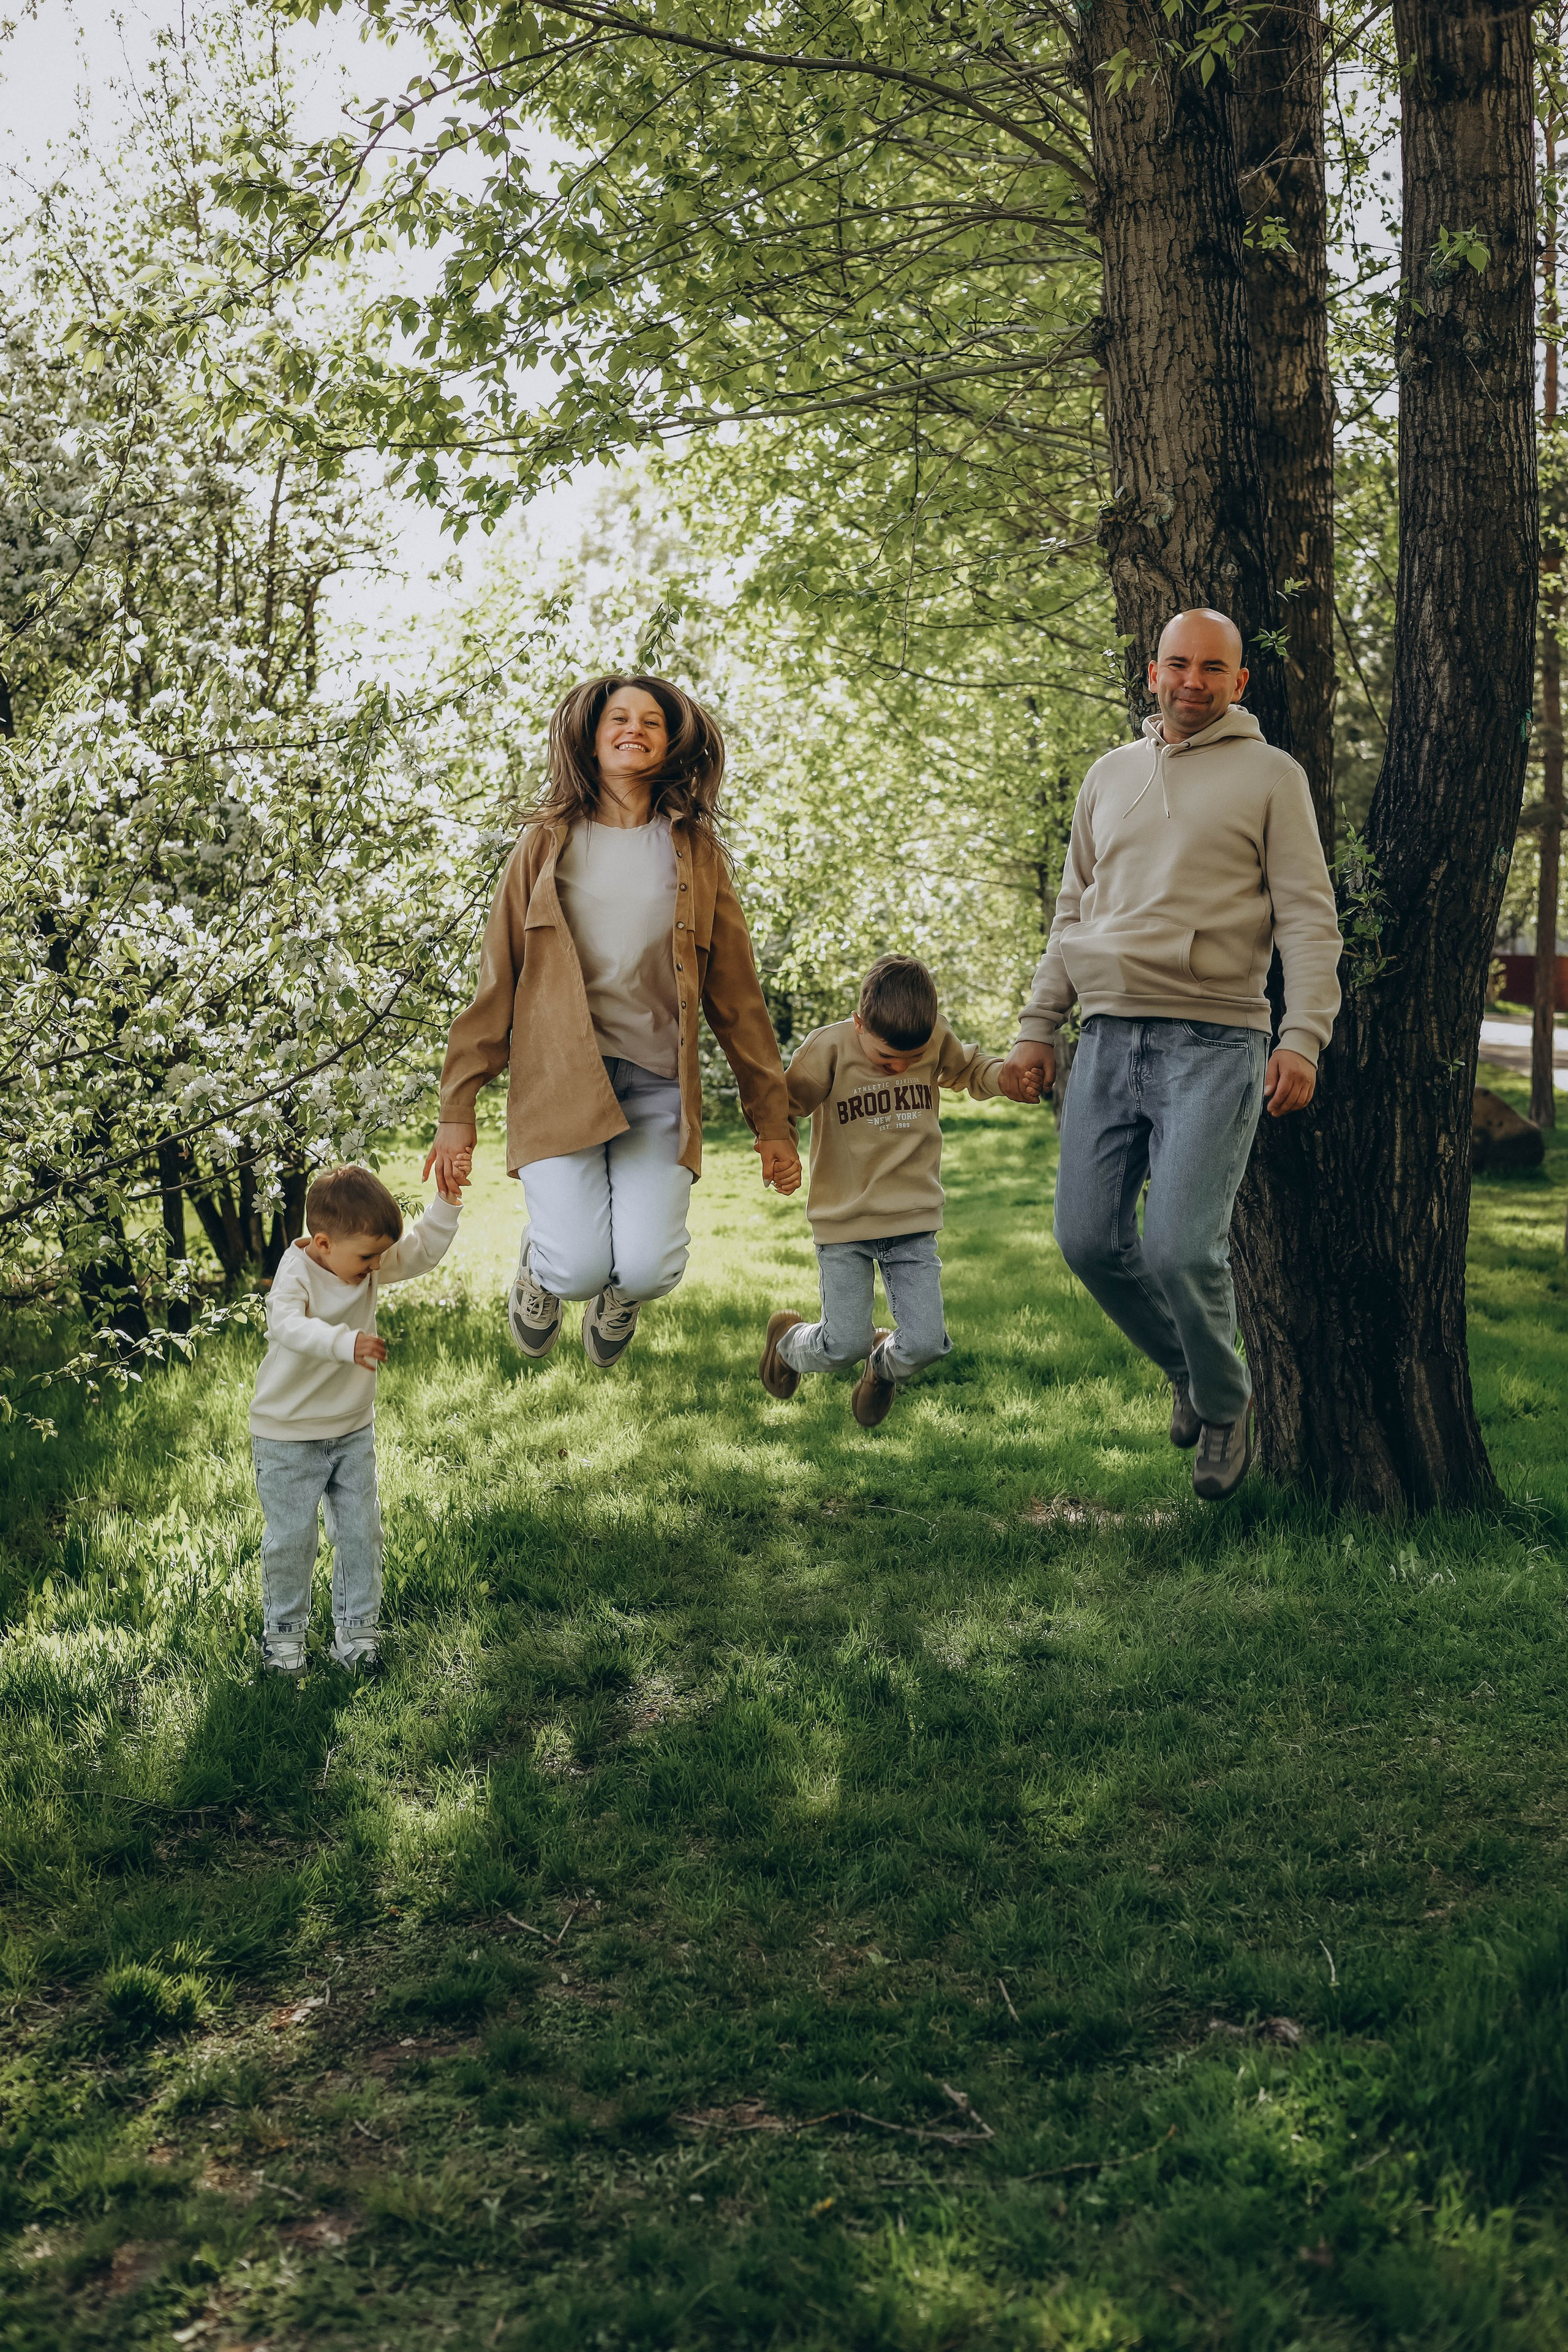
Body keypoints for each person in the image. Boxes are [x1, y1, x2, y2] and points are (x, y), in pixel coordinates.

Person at [1001, 609, 1342, 1501]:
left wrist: (1302, 1036)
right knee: (1085, 1239)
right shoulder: (1110, 775)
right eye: (1178, 664)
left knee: (1182, 1248)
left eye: (1212, 668)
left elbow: (1308, 917)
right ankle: (1197, 1376)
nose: (1193, 681)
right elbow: (1073, 911)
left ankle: (1225, 1407)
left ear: (1240, 683)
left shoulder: (1273, 777)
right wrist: (1038, 1027)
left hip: (1216, 1038)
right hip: (1107, 1033)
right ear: (1152, 673)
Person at [425, 675, 799, 1367]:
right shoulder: (543, 846)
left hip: (657, 1084)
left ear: (671, 744)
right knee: (575, 1270)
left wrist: (771, 1122)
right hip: (560, 1082)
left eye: (652, 721)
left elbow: (738, 1000)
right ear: (592, 740)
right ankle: (543, 1265)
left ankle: (621, 1290)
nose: (635, 729)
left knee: (650, 1270)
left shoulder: (696, 855)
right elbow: (497, 981)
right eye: (619, 719)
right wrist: (459, 1106)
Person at [760, 954, 1041, 1427]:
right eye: (886, 1058)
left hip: (912, 1220)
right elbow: (781, 1107)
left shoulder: (934, 1039)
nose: (898, 1068)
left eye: (911, 1062)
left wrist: (1005, 1078)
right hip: (844, 1221)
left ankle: (880, 1368)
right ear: (858, 1023)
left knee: (926, 1343)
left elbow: (971, 1070)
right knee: (840, 1345)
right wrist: (780, 1152)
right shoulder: (828, 1049)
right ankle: (788, 1345)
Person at [249, 1163, 462, 1677]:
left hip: (350, 1429)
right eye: (366, 1257)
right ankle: (284, 1641)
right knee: (293, 1539)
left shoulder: (359, 1260)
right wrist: (346, 1344)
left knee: (362, 1532)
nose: (374, 1267)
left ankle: (357, 1635)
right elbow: (290, 1328)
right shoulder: (295, 1274)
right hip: (288, 1435)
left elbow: (417, 1254)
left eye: (376, 1257)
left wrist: (446, 1206)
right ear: (322, 1243)